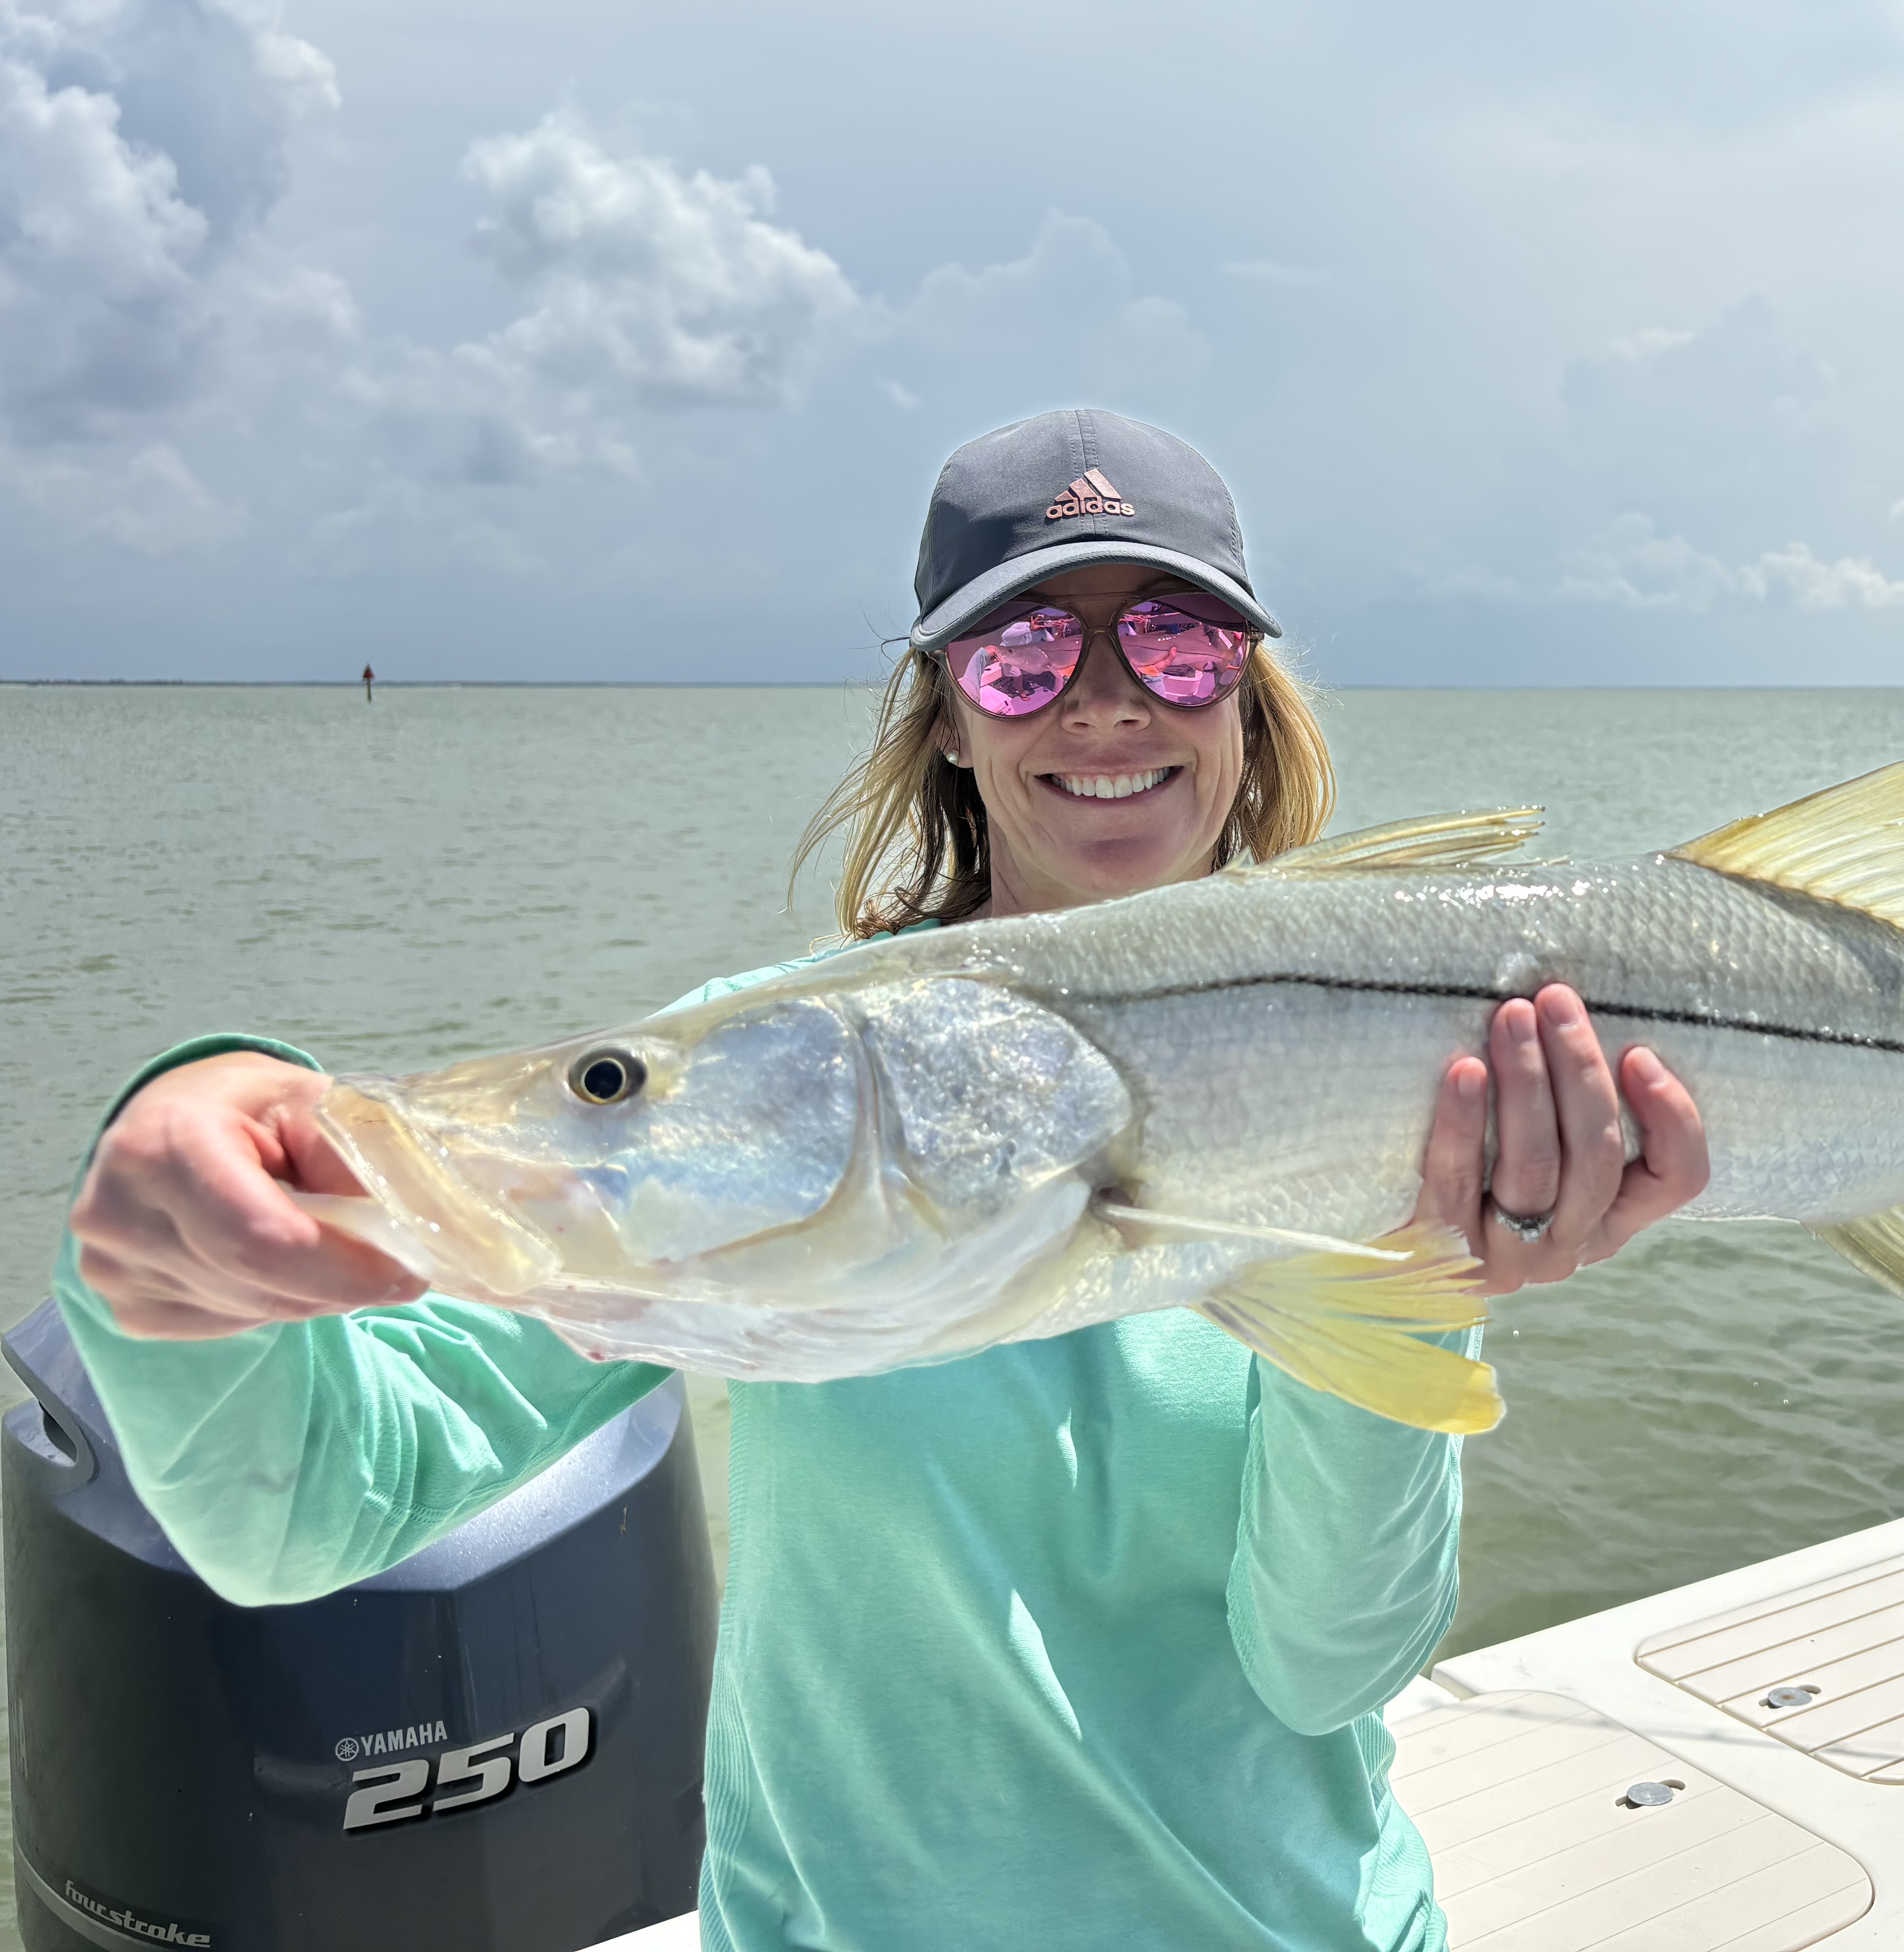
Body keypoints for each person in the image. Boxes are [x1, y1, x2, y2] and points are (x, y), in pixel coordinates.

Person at [61, 408, 1712, 1951]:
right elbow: (301, 1513)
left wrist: (1429, 1276)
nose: (1110, 699)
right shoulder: (752, 1073)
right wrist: (185, 1202)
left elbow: (1326, 1667)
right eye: (1025, 652)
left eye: (1179, 641)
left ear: (1248, 699)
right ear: (944, 711)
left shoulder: (1431, 1078)